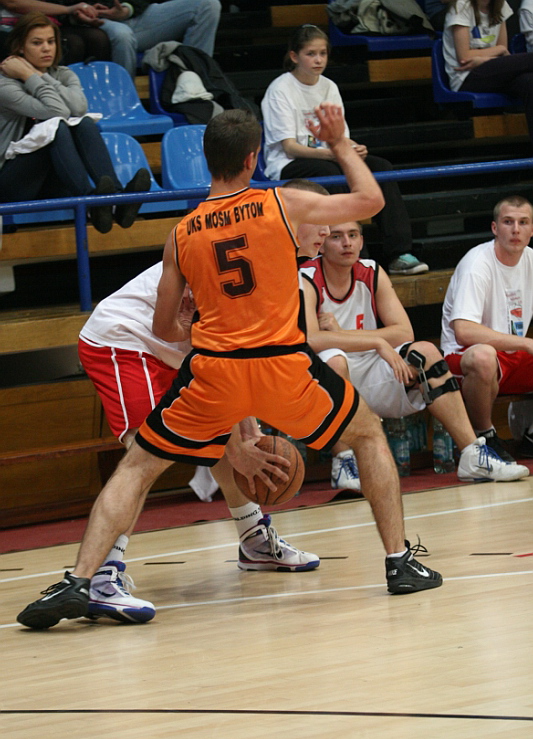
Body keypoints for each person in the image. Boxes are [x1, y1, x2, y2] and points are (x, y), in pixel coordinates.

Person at [17, 102, 444, 631]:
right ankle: (399, 562)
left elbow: (166, 328)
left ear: (206, 158)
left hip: (214, 369)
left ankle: (79, 579)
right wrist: (337, 143)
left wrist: (196, 327)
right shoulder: (280, 203)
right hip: (277, 366)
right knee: (367, 435)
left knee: (137, 467)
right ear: (252, 158)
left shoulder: (181, 233)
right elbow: (372, 200)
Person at [77, 259, 321, 622]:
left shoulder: (275, 271)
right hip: (125, 338)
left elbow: (232, 359)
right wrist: (240, 444)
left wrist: (248, 429)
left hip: (175, 349)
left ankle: (254, 539)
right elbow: (215, 356)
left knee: (222, 431)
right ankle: (100, 577)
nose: (326, 235)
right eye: (323, 231)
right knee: (143, 456)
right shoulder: (237, 260)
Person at [300, 219, 530, 491]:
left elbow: (404, 331)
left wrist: (363, 339)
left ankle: (472, 453)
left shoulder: (372, 272)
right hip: (324, 380)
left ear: (362, 241)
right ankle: (344, 461)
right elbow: (312, 339)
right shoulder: (307, 277)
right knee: (335, 359)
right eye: (337, 236)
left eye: (353, 235)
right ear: (322, 244)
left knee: (425, 352)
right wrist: (376, 341)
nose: (347, 243)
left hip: (373, 369)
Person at [260, 24, 429, 277]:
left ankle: (399, 253)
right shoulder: (280, 89)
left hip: (330, 156)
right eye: (310, 54)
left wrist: (353, 149)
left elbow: (340, 137)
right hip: (288, 163)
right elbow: (290, 147)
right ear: (294, 56)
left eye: (322, 53)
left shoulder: (329, 86)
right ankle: (358, 258)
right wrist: (335, 153)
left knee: (381, 168)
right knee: (331, 173)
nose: (318, 60)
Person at [0, 13, 150, 232]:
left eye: (51, 41)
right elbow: (57, 111)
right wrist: (29, 76)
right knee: (56, 127)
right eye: (37, 43)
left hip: (54, 180)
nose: (46, 48)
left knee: (84, 123)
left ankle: (115, 199)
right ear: (20, 48)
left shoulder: (64, 74)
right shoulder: (5, 85)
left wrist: (38, 75)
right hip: (11, 183)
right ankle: (90, 201)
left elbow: (79, 108)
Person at [441, 194, 533, 460]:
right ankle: (483, 437)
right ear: (495, 228)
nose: (515, 230)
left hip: (510, 357)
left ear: (531, 230)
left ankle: (530, 435)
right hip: (463, 358)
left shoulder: (531, 259)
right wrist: (525, 343)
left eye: (523, 222)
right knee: (484, 356)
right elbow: (464, 331)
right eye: (508, 222)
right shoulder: (477, 264)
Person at [443, 0, 533, 148]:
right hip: (466, 76)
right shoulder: (461, 6)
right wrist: (498, 51)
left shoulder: (500, 5)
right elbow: (464, 56)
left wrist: (483, 58)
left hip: (491, 69)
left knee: (529, 82)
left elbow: (502, 51)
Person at [92, 0, 221, 78]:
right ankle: (124, 100)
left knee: (208, 5)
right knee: (122, 35)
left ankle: (193, 85)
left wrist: (127, 9)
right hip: (95, 19)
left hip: (135, 13)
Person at [0, 0, 111, 63]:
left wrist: (83, 12)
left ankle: (96, 90)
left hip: (53, 21)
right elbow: (13, 3)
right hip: (12, 25)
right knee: (73, 43)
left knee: (98, 38)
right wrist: (69, 9)